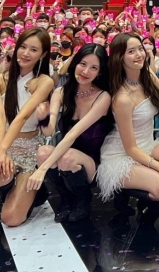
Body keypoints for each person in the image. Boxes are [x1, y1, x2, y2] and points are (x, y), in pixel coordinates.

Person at [96, 34, 159, 214]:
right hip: (122, 154)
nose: (139, 54)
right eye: (131, 51)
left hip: (147, 146)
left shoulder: (147, 76)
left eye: (140, 49)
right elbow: (130, 149)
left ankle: (145, 195)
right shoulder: (122, 98)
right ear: (119, 57)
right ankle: (123, 192)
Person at [26, 44, 112, 223]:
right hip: (66, 154)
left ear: (100, 72)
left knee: (67, 157)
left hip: (93, 162)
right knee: (43, 152)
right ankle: (65, 197)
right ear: (75, 63)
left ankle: (83, 199)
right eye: (83, 64)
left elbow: (72, 135)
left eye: (94, 67)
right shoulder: (61, 92)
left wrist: (42, 169)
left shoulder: (103, 97)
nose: (86, 71)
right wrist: (43, 118)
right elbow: (49, 131)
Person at [0, 29, 54, 227]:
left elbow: (21, 117)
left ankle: (35, 192)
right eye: (23, 47)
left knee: (11, 218)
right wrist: (0, 151)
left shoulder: (44, 82)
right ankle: (11, 193)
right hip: (3, 142)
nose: (26, 53)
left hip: (30, 146)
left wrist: (2, 151)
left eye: (34, 50)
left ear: (43, 54)